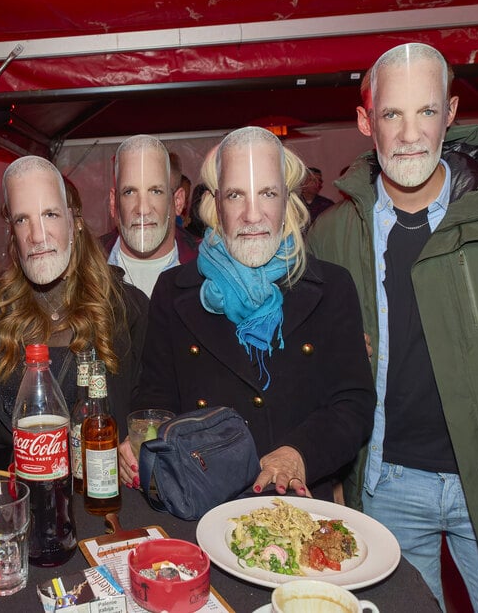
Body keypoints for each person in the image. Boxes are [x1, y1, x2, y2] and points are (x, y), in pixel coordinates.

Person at [308, 42, 478, 611]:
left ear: (451, 113)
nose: (410, 134)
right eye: (392, 115)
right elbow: (316, 369)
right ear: (366, 121)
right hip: (384, 486)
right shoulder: (332, 236)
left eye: (426, 112)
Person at [120, 126, 375, 501]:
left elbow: (352, 404)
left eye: (267, 194)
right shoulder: (174, 291)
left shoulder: (332, 288)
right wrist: (142, 435)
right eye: (236, 195)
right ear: (217, 204)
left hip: (298, 505)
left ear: (287, 200)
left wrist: (298, 454)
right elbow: (154, 397)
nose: (252, 214)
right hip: (202, 502)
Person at [0, 156, 147, 464]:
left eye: (49, 214)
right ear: (12, 232)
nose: (37, 236)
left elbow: (152, 407)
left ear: (74, 223)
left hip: (104, 498)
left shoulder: (127, 309)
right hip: (24, 498)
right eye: (22, 220)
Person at [101, 135, 199, 297]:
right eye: (129, 192)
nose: (143, 208)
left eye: (156, 191)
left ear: (178, 201)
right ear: (113, 203)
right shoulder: (83, 269)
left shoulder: (209, 271)